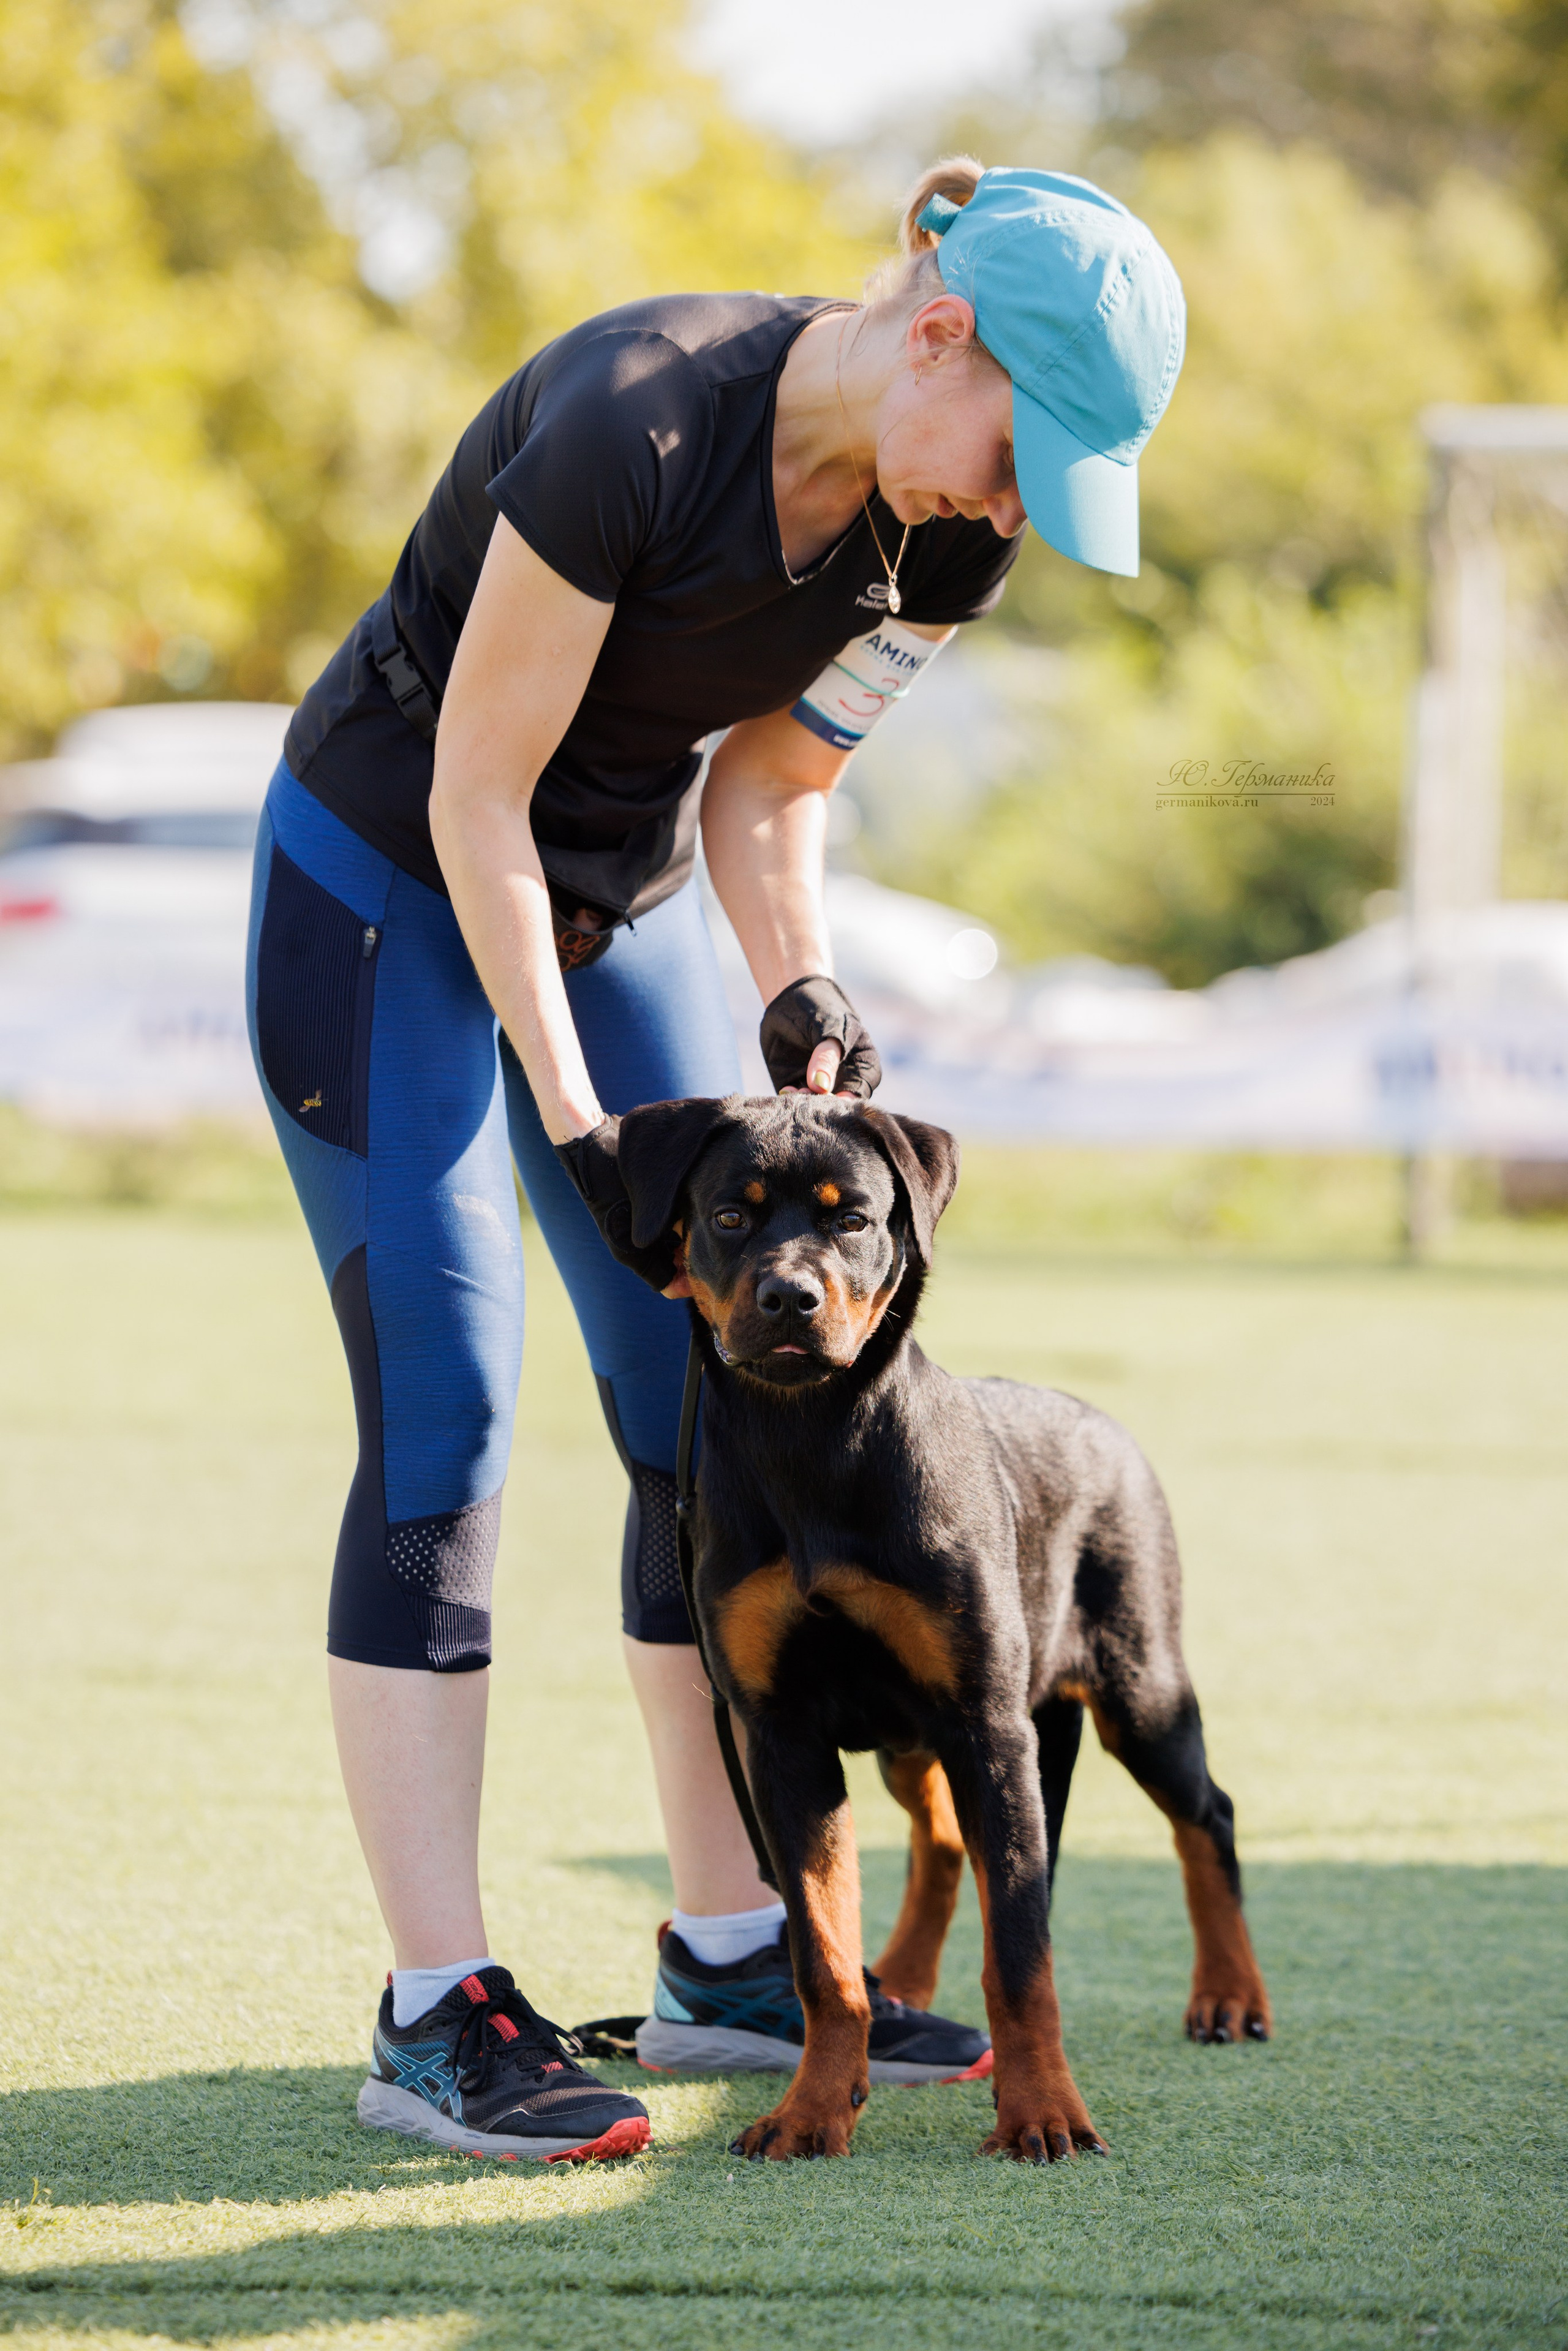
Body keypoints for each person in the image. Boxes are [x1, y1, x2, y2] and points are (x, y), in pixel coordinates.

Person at [246, 156, 1186, 2159]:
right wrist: (579, 1118)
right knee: (448, 1412)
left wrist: (800, 985)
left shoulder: (941, 535)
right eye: (1022, 460)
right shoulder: (639, 419)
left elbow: (768, 785)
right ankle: (434, 2008)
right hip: (389, 877)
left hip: (622, 892)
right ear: (941, 337)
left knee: (702, 1403)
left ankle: (735, 1953)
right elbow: (478, 795)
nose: (1013, 514)